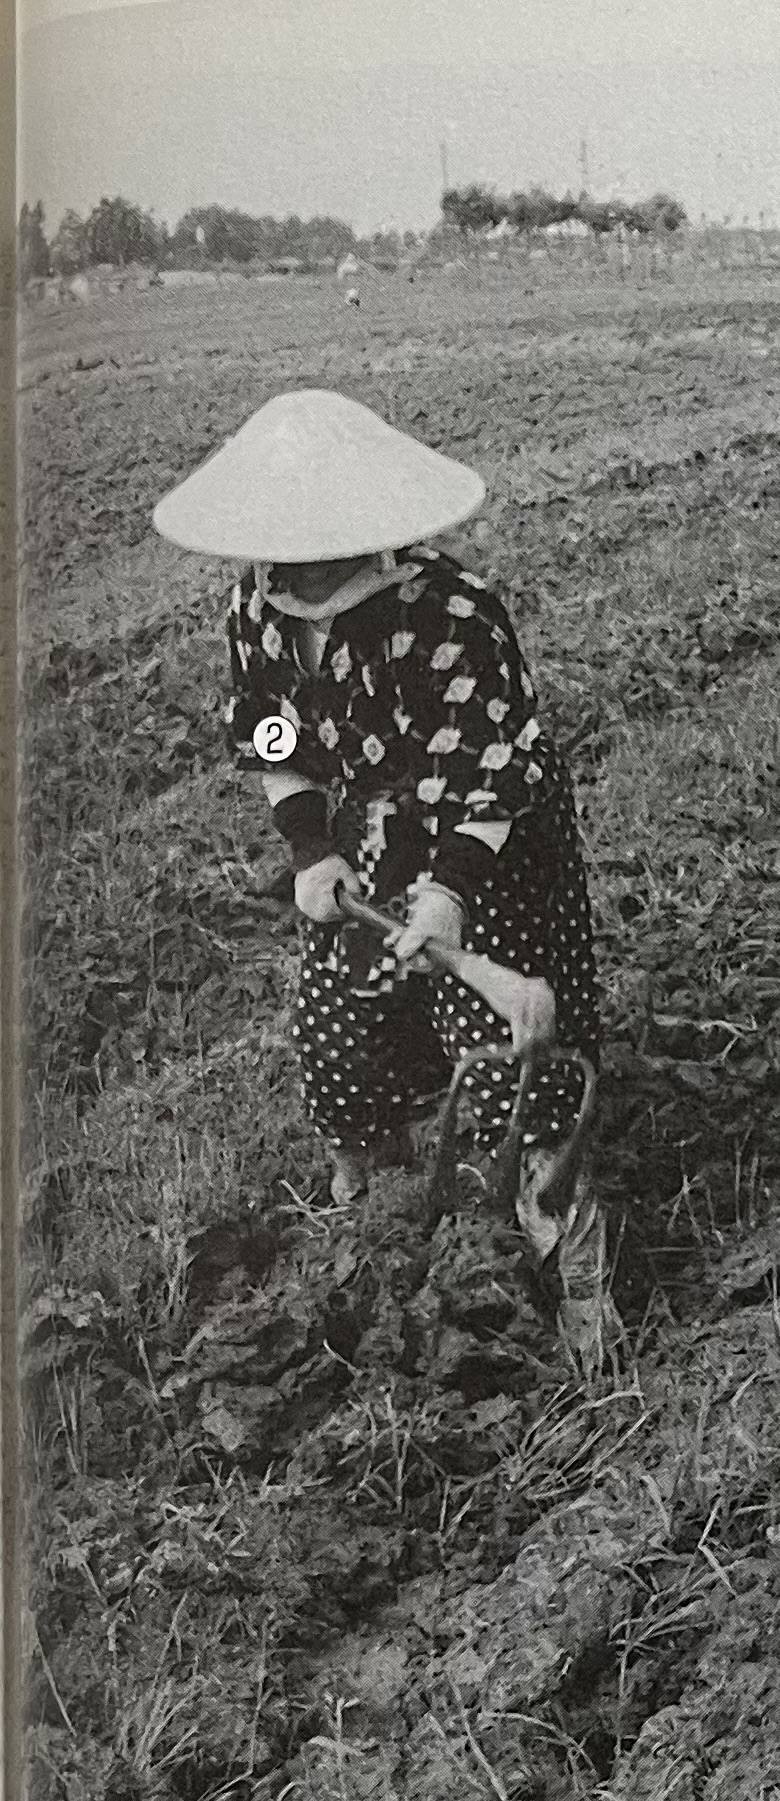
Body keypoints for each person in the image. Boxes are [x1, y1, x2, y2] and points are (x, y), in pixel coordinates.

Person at [154, 390, 602, 1205]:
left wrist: (449, 892)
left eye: (326, 549)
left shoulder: (453, 614)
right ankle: (367, 1179)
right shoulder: (256, 611)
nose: (304, 569)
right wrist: (310, 849)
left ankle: (546, 1188)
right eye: (287, 550)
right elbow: (272, 736)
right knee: (339, 1013)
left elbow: (489, 771)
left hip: (486, 825)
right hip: (368, 821)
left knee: (496, 1015)